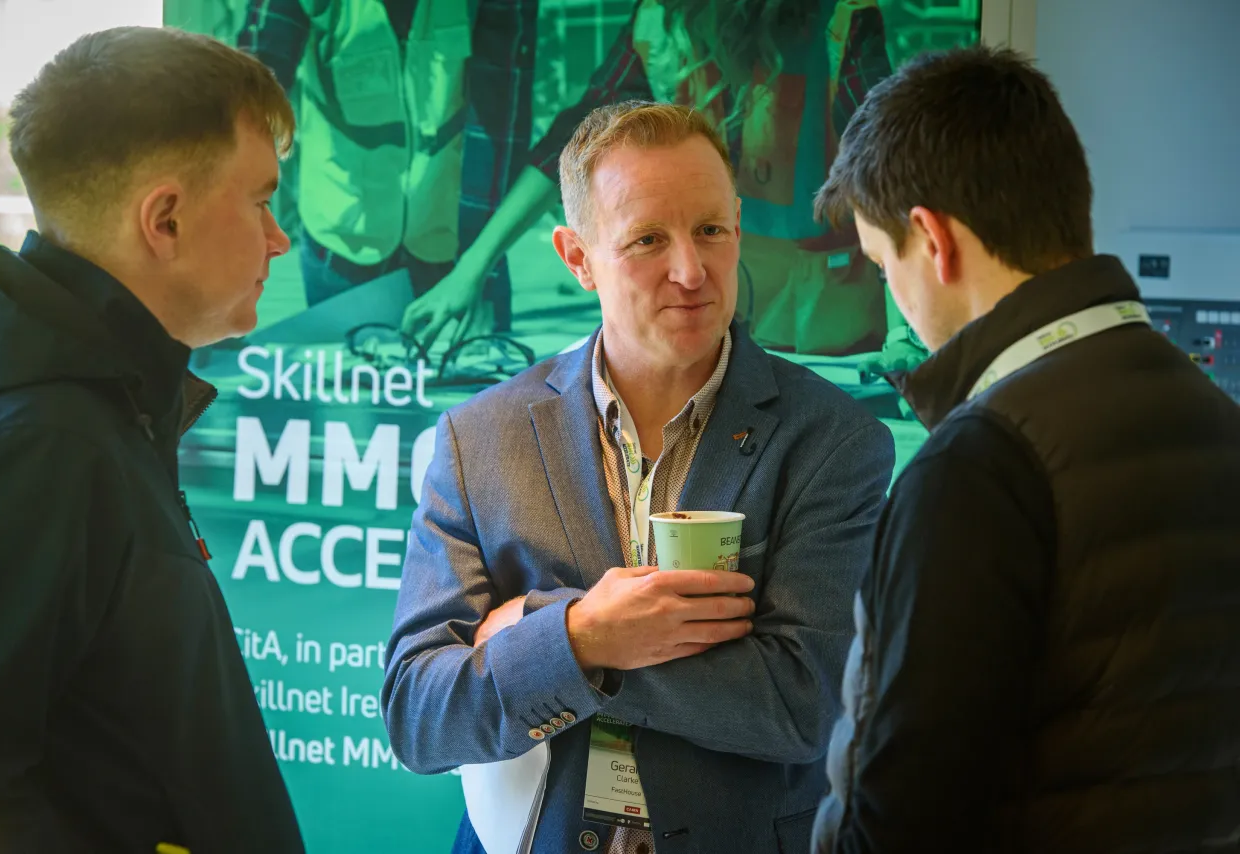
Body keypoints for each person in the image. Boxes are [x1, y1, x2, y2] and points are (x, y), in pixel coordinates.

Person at [383, 101, 894, 854]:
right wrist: (581, 635)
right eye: (648, 239)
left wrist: (546, 637)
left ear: (739, 226)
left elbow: (802, 705)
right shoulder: (481, 438)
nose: (691, 271)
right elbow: (419, 717)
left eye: (711, 230)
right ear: (577, 257)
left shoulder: (833, 440)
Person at [810, 46, 1240, 853]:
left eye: (882, 263)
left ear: (931, 239)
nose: (893, 299)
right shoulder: (1216, 417)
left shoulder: (979, 466)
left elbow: (907, 817)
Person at [0, 27, 304, 852]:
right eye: (261, 202)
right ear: (165, 219)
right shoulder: (46, 445)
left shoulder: (91, 401)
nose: (279, 238)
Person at [400, 0, 927, 376]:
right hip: (707, 332)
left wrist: (906, 333)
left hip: (825, 336)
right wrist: (468, 273)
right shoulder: (659, 18)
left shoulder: (840, 20)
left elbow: (888, 170)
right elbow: (571, 141)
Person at [238, 0, 529, 340]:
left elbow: (500, 124)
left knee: (476, 369)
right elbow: (249, 94)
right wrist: (224, 286)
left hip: (453, 238)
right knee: (343, 371)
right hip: (343, 239)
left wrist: (479, 271)